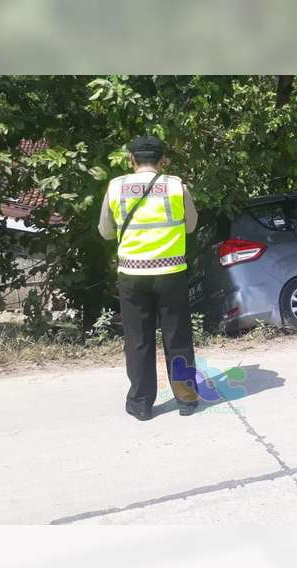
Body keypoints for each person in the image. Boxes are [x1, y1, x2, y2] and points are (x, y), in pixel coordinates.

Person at [98, 136, 200, 421]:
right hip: (171, 273)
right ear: (163, 159)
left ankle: (141, 404)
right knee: (177, 337)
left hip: (132, 274)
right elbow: (191, 226)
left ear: (131, 159)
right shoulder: (176, 186)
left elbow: (105, 231)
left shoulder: (116, 187)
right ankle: (186, 398)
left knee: (138, 339)